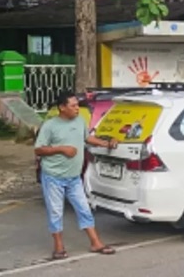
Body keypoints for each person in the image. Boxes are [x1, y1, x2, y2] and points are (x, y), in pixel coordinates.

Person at [34, 91, 118, 259]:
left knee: (84, 209)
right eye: (73, 106)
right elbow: (39, 149)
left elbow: (87, 138)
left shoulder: (80, 121)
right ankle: (59, 247)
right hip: (53, 177)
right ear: (62, 108)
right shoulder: (50, 125)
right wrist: (62, 148)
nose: (77, 109)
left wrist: (107, 143)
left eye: (77, 105)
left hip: (74, 177)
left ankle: (96, 243)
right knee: (56, 211)